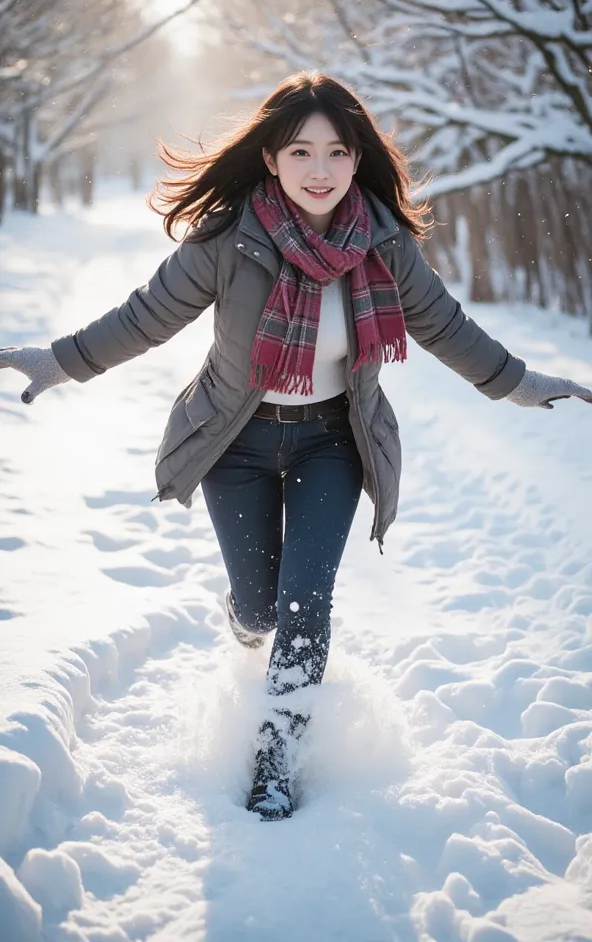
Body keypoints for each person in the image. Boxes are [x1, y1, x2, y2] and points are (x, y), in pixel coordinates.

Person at [1, 72, 591, 821]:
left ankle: (277, 758)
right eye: (301, 151)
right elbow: (146, 315)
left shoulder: (383, 242)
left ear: (357, 160)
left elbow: (446, 326)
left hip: (331, 444)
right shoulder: (228, 239)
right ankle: (247, 620)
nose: (321, 169)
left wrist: (520, 382)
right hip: (236, 443)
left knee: (306, 603)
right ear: (272, 158)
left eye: (338, 151)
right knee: (259, 609)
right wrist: (60, 361)